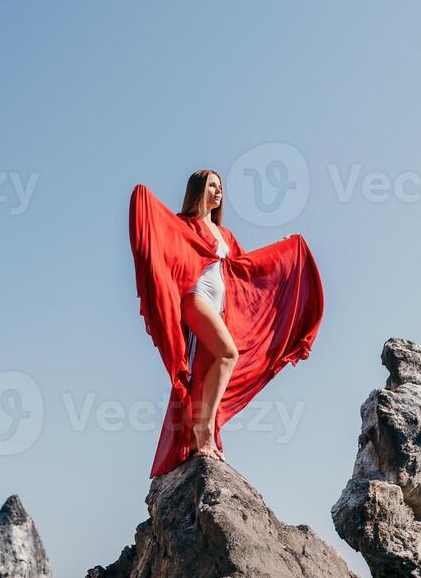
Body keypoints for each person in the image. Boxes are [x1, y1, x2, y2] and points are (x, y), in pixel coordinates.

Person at [128, 171, 324, 477]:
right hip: (195, 298)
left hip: (222, 308)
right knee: (228, 354)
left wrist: (283, 249)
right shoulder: (184, 225)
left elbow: (250, 268)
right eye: (212, 186)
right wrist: (142, 194)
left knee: (205, 373)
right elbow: (158, 236)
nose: (218, 192)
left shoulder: (225, 235)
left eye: (220, 187)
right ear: (198, 190)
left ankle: (198, 434)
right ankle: (203, 429)